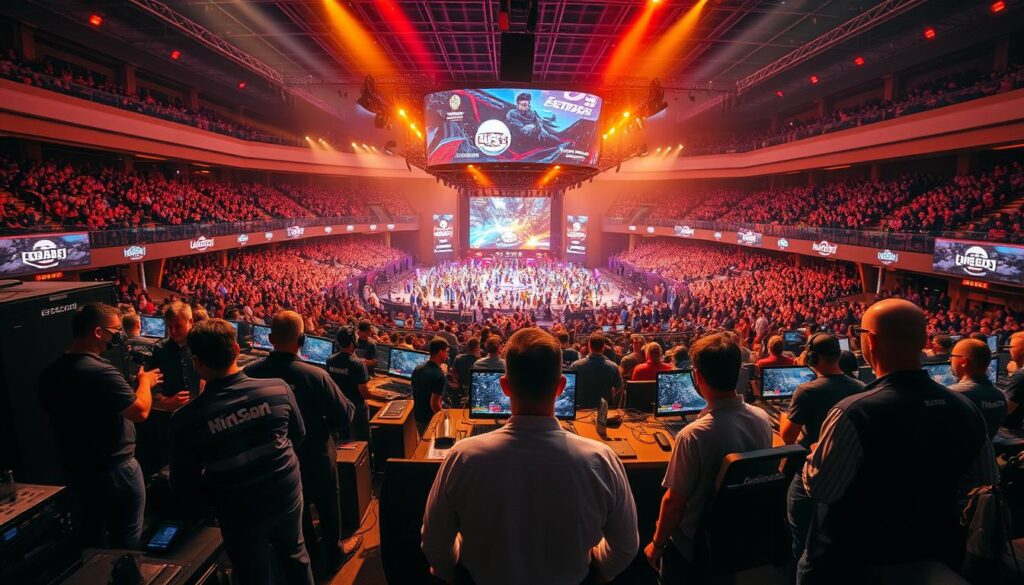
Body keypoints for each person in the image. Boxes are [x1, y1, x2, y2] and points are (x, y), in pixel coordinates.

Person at [798, 299, 997, 584]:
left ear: (871, 342)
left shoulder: (852, 412)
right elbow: (986, 481)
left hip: (853, 560)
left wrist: (815, 456)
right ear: (922, 341)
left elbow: (820, 489)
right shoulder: (965, 408)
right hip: (936, 551)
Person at [422, 328, 638, 584]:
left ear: (504, 386)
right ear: (561, 387)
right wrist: (598, 571)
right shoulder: (602, 459)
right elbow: (625, 547)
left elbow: (434, 545)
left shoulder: (462, 457)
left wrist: (453, 572)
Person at [169, 319, 314, 585]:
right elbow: (299, 435)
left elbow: (184, 486)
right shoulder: (277, 388)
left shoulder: (185, 419)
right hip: (286, 493)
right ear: (237, 348)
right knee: (296, 556)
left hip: (238, 509)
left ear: (197, 362)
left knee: (252, 572)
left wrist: (219, 502)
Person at [644, 333, 772, 580]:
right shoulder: (762, 419)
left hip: (695, 544)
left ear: (697, 377)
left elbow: (674, 503)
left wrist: (657, 545)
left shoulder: (693, 435)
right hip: (739, 533)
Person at [244, 311, 360, 578]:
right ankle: (334, 553)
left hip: (276, 459)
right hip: (317, 454)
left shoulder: (250, 374)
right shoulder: (315, 375)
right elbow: (345, 416)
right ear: (303, 339)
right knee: (328, 503)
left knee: (297, 506)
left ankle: (309, 553)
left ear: (270, 338)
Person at [39, 303, 162, 548]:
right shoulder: (101, 371)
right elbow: (140, 411)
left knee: (92, 540)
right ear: (98, 332)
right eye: (115, 330)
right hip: (116, 469)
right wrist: (145, 382)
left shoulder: (50, 372)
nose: (119, 335)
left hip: (77, 469)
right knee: (126, 539)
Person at [779, 333, 865, 562]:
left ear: (812, 358)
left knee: (802, 535)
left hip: (811, 470)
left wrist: (784, 415)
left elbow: (788, 437)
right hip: (847, 472)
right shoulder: (861, 387)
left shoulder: (807, 391)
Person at [949, 338, 1006, 438]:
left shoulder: (952, 395)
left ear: (963, 362)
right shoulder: (1001, 395)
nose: (949, 360)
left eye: (952, 356)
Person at [326, 328, 375, 442]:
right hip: (356, 409)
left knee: (343, 439)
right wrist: (382, 397)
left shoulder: (330, 360)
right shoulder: (358, 364)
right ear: (353, 342)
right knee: (364, 439)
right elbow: (364, 394)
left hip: (338, 405)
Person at [570, 334, 623, 409]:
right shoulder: (613, 367)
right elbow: (619, 389)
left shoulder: (575, 366)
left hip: (580, 411)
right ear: (603, 348)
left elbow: (569, 390)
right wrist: (615, 408)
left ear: (589, 346)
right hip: (604, 412)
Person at [411, 337, 448, 436]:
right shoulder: (440, 375)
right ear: (440, 352)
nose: (447, 354)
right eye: (446, 351)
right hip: (430, 420)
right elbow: (434, 404)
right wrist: (444, 418)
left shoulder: (417, 368)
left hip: (418, 417)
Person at [1002, 331, 1024, 428]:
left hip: (1015, 430)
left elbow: (1005, 410)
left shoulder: (1020, 376)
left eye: (1011, 347)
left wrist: (1013, 374)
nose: (1009, 350)